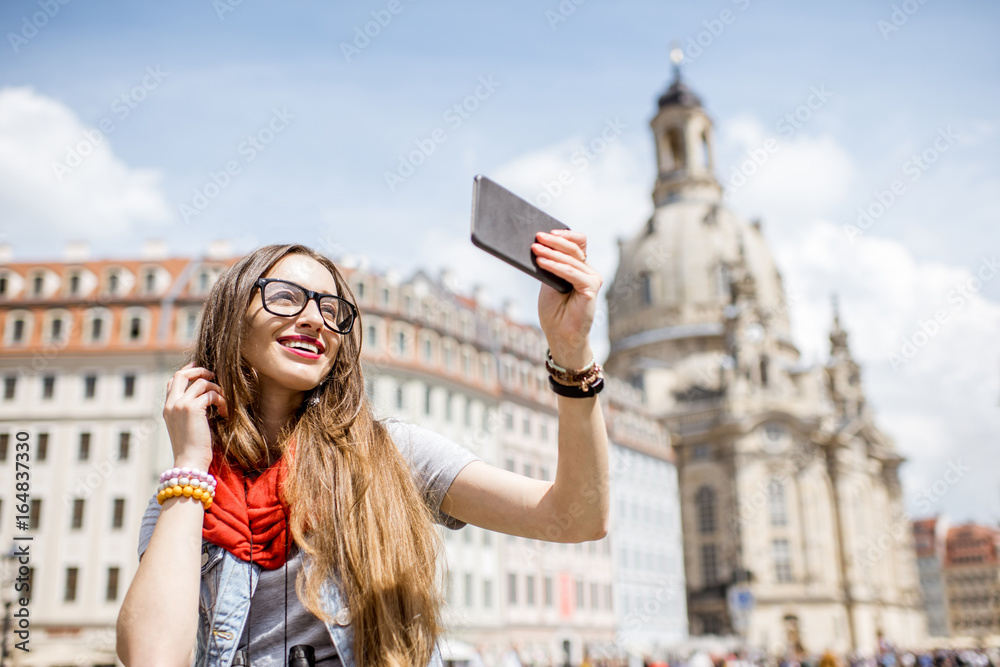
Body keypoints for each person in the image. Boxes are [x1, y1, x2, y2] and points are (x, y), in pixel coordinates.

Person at [116, 230, 609, 667]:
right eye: (285, 297)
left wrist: (572, 355)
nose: (315, 319)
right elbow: (153, 657)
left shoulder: (392, 454)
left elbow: (575, 517)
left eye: (332, 310)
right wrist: (189, 467)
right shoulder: (184, 498)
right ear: (232, 322)